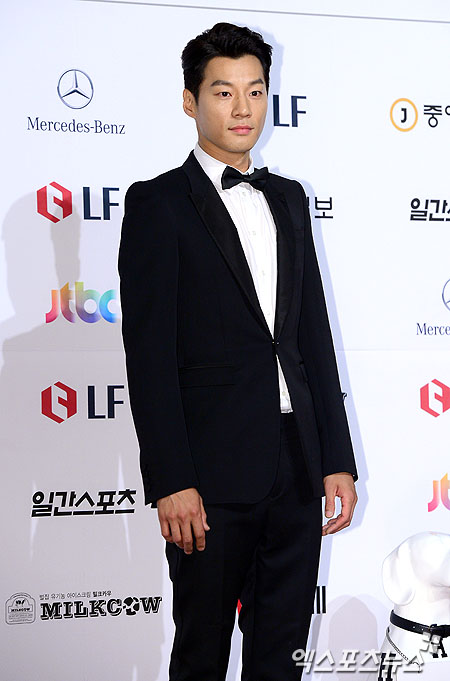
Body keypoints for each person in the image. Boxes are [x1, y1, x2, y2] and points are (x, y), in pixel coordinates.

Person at [118, 22, 358, 681]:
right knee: (202, 652)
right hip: (209, 473)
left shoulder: (289, 198)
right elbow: (148, 357)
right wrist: (171, 479)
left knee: (283, 653)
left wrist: (336, 459)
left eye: (255, 91)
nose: (243, 108)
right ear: (190, 101)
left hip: (296, 463)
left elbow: (313, 337)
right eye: (224, 92)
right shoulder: (158, 204)